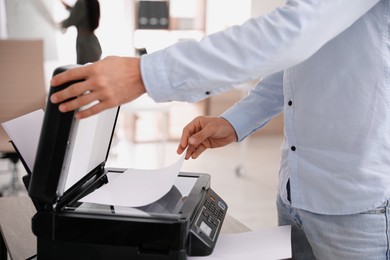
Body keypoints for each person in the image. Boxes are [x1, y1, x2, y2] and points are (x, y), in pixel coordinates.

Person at [49, 0, 389, 258]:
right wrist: (234, 121)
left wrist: (143, 73)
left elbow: (291, 35)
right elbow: (295, 61)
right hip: (295, 192)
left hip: (357, 207)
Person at [60, 0, 102, 64]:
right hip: (93, 43)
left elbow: (72, 19)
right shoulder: (93, 2)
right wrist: (69, 8)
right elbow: (80, 12)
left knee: (83, 70)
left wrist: (60, 24)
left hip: (86, 45)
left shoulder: (81, 3)